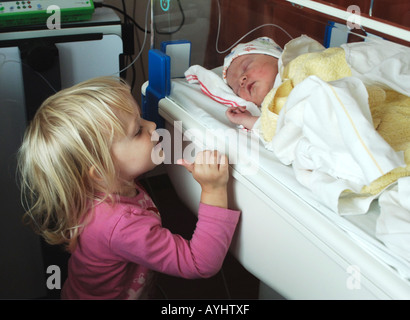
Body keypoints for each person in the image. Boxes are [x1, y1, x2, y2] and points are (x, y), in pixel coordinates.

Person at [17, 76, 240, 299]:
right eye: (137, 131)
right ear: (102, 171)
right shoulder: (121, 224)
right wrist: (214, 190)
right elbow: (199, 264)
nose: (152, 126)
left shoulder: (101, 187)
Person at [223, 37, 282, 129]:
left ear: (274, 56)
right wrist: (246, 119)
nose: (241, 81)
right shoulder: (271, 112)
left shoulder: (297, 66)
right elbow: (275, 131)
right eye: (237, 89)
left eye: (245, 67)